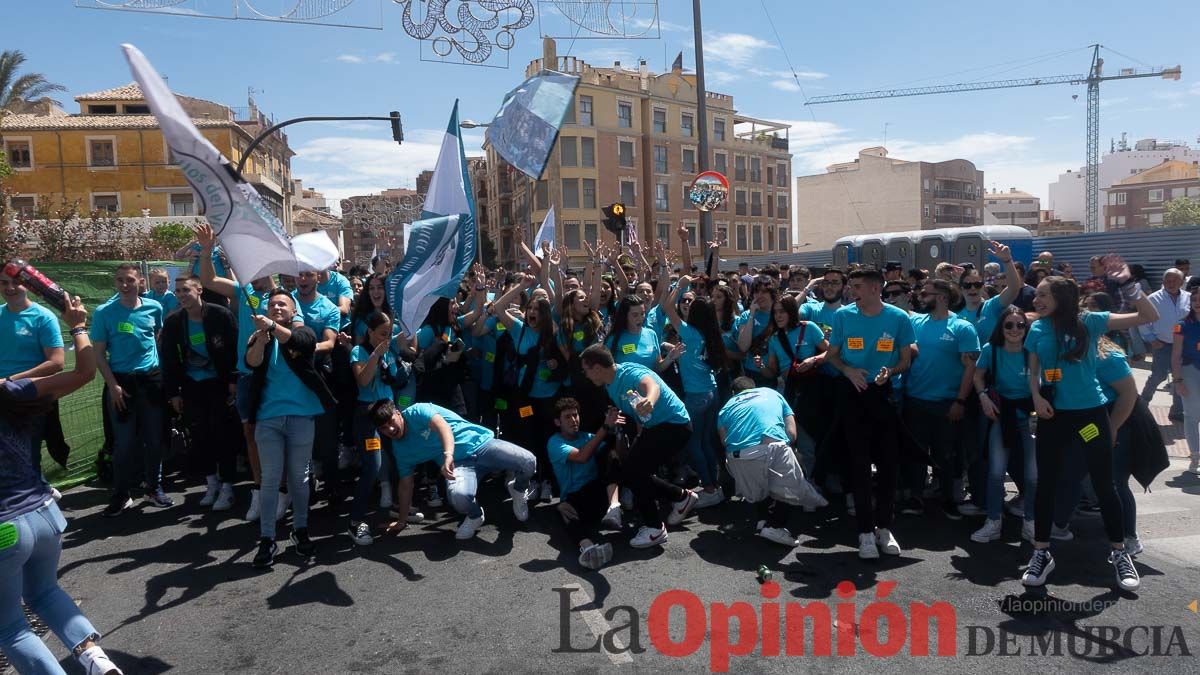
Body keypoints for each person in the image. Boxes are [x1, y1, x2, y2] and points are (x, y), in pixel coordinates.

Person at [0, 295, 125, 675]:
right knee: (45, 592)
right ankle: (96, 661)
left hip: (5, 528)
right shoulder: (8, 390)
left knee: (9, 626)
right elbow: (83, 373)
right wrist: (78, 326)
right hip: (44, 514)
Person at [1021, 265, 1156, 591]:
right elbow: (1032, 370)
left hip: (1089, 419)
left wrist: (1130, 285)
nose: (1036, 298)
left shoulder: (1090, 322)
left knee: (1104, 483)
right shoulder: (1037, 329)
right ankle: (1041, 553)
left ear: (1061, 297)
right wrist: (1037, 396)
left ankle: (1119, 552)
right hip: (1054, 418)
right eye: (1036, 294)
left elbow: (1147, 316)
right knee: (1046, 484)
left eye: (1042, 294)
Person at [825, 267, 914, 560]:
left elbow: (905, 358)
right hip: (852, 395)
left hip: (884, 394)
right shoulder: (843, 316)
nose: (853, 291)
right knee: (859, 465)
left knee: (889, 465)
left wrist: (892, 371)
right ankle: (864, 533)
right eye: (852, 286)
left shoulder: (899, 318)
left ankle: (884, 528)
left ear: (876, 288)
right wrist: (848, 370)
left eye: (859, 286)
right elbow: (832, 355)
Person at [243, 289, 336, 568]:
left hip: (301, 415)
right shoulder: (260, 336)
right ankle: (267, 538)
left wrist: (272, 326)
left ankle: (301, 529)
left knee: (299, 477)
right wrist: (260, 338)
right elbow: (252, 362)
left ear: (293, 311)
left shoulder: (302, 332)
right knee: (270, 478)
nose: (276, 307)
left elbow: (301, 343)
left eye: (282, 304)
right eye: (272, 304)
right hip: (269, 418)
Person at [195, 223, 279, 521]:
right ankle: (259, 491)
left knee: (280, 436)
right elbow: (207, 279)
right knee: (251, 434)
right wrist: (206, 251)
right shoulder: (244, 293)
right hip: (247, 376)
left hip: (277, 378)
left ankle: (284, 490)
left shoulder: (281, 298)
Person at [580, 344, 697, 549]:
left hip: (675, 425)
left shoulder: (630, 373)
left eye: (586, 369)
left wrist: (650, 400)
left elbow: (652, 385)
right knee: (632, 471)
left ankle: (655, 529)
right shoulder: (610, 385)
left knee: (635, 471)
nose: (585, 375)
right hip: (656, 427)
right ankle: (681, 497)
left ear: (597, 367)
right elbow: (635, 412)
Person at [370, 399, 536, 540]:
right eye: (384, 428)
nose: (390, 429)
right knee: (459, 497)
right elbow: (406, 485)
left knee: (528, 461)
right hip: (460, 465)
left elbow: (443, 427)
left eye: (391, 422)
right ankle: (475, 516)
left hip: (482, 445)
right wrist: (401, 521)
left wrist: (448, 454)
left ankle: (518, 489)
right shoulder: (401, 451)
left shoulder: (417, 411)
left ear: (398, 413)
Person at [92, 264, 171, 516]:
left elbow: (156, 337)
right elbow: (98, 353)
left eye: (129, 280)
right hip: (121, 384)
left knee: (155, 440)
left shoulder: (154, 307)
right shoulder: (105, 312)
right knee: (124, 444)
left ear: (140, 282)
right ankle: (121, 494)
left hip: (150, 381)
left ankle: (153, 487)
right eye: (119, 280)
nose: (124, 285)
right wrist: (113, 385)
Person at [903, 279, 982, 520]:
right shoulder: (916, 322)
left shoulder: (963, 327)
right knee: (916, 453)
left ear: (942, 296)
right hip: (915, 400)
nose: (921, 297)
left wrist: (960, 401)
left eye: (925, 293)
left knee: (946, 455)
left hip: (947, 404)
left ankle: (948, 499)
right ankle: (916, 497)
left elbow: (971, 368)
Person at [159, 276, 239, 512]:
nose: (182, 295)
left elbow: (235, 348)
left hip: (219, 383)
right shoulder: (174, 321)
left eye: (186, 290)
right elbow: (170, 360)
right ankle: (211, 483)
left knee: (222, 433)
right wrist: (173, 393)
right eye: (178, 292)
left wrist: (233, 380)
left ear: (199, 290)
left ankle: (227, 486)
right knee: (200, 434)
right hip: (192, 385)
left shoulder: (220, 314)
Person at [718, 377, 826, 549]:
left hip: (738, 456)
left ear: (733, 393)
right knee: (792, 480)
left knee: (759, 484)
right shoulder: (772, 393)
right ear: (755, 388)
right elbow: (791, 433)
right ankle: (774, 525)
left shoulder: (726, 407)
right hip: (772, 447)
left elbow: (725, 441)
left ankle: (763, 520)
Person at [660, 276, 728, 508]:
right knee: (707, 442)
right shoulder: (711, 333)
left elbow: (667, 307)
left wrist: (680, 285)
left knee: (693, 443)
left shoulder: (689, 332)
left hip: (696, 396)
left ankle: (708, 486)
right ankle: (715, 485)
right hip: (712, 391)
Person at [971, 306, 1036, 543]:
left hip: (1030, 415)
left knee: (1033, 475)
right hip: (1002, 413)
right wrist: (983, 397)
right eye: (1009, 325)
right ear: (1001, 327)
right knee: (996, 471)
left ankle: (1030, 522)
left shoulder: (1034, 350)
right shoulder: (991, 350)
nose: (1015, 329)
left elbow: (1046, 379)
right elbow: (977, 376)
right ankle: (993, 521)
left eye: (1020, 325)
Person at [0, 269, 65, 473]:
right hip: (1, 396)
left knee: (27, 459)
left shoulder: (43, 317)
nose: (9, 288)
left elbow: (56, 362)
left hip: (30, 398)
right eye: (3, 283)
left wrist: (10, 380)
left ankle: (39, 499)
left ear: (28, 285)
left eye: (16, 282)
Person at [347, 311, 403, 546]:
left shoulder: (390, 350)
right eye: (382, 333)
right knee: (373, 466)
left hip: (390, 410)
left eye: (388, 334)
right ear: (369, 331)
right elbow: (363, 380)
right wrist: (375, 356)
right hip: (369, 415)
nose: (385, 338)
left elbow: (394, 377)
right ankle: (355, 520)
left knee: (399, 460)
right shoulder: (358, 352)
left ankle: (400, 508)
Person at [547, 398, 622, 570]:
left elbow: (618, 460)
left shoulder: (588, 437)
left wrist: (618, 432)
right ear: (557, 422)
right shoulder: (555, 443)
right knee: (561, 510)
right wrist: (605, 428)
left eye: (575, 415)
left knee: (610, 455)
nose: (574, 420)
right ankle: (588, 548)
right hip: (576, 498)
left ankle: (615, 507)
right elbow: (582, 457)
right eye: (568, 417)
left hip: (599, 492)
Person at [1138, 268, 1188, 421]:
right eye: (1168, 280)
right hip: (1163, 345)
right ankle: (1142, 404)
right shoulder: (1153, 298)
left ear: (1181, 282)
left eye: (1175, 280)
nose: (1171, 283)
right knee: (1158, 376)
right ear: (1163, 281)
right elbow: (1143, 320)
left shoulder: (1189, 297)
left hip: (1183, 346)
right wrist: (1151, 339)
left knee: (1180, 378)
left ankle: (1177, 411)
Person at [1171, 290, 1200, 475]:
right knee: (1191, 415)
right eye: (1195, 299)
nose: (1198, 303)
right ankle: (1195, 456)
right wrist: (1178, 380)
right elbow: (1175, 355)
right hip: (1190, 371)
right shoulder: (1182, 325)